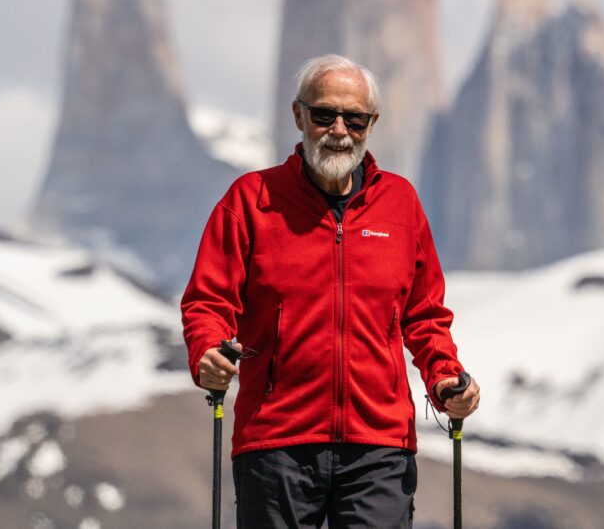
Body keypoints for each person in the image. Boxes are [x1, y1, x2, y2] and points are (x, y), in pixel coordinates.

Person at [181, 54, 480, 528]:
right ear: (299, 116)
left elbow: (424, 316)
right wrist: (206, 352)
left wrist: (444, 377)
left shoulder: (401, 204)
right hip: (275, 442)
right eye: (324, 115)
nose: (338, 129)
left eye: (354, 119)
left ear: (371, 123)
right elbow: (207, 301)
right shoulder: (250, 200)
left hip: (379, 447)